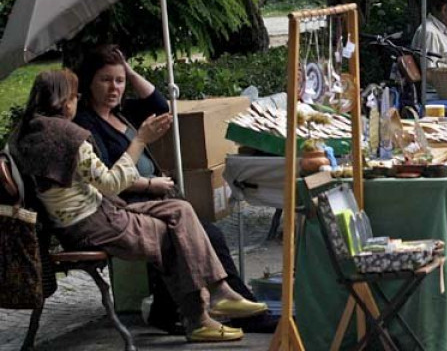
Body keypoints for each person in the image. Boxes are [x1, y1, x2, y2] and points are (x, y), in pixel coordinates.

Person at [10, 70, 262, 343]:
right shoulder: (70, 138)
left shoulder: (27, 132)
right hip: (92, 222)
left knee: (180, 209)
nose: (77, 101)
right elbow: (111, 183)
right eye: (74, 96)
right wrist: (140, 141)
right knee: (171, 235)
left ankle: (220, 291)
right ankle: (199, 317)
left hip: (93, 213)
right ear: (64, 100)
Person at [72, 45, 274, 334]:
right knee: (206, 234)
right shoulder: (87, 124)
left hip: (157, 197)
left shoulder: (122, 112)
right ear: (90, 82)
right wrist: (151, 182)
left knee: (192, 232)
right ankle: (236, 308)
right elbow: (105, 178)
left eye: (119, 81)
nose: (114, 87)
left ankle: (165, 311)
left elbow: (160, 105)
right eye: (105, 80)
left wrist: (126, 68)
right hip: (128, 202)